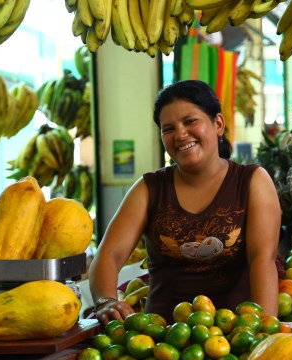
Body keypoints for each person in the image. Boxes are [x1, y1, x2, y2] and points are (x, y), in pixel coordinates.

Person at [88, 79, 281, 324]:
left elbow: (263, 260)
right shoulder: (149, 189)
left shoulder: (252, 181)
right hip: (159, 343)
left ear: (218, 124)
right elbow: (109, 255)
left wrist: (263, 332)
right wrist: (106, 301)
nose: (180, 134)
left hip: (234, 339)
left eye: (190, 122)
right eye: (168, 129)